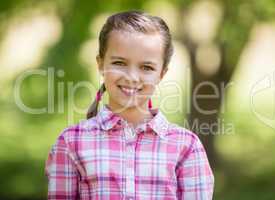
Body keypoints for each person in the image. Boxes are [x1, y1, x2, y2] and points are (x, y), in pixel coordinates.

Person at [45, 10, 214, 200]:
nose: (132, 77)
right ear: (100, 64)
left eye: (147, 67)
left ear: (162, 74)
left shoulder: (186, 147)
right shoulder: (70, 143)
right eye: (119, 63)